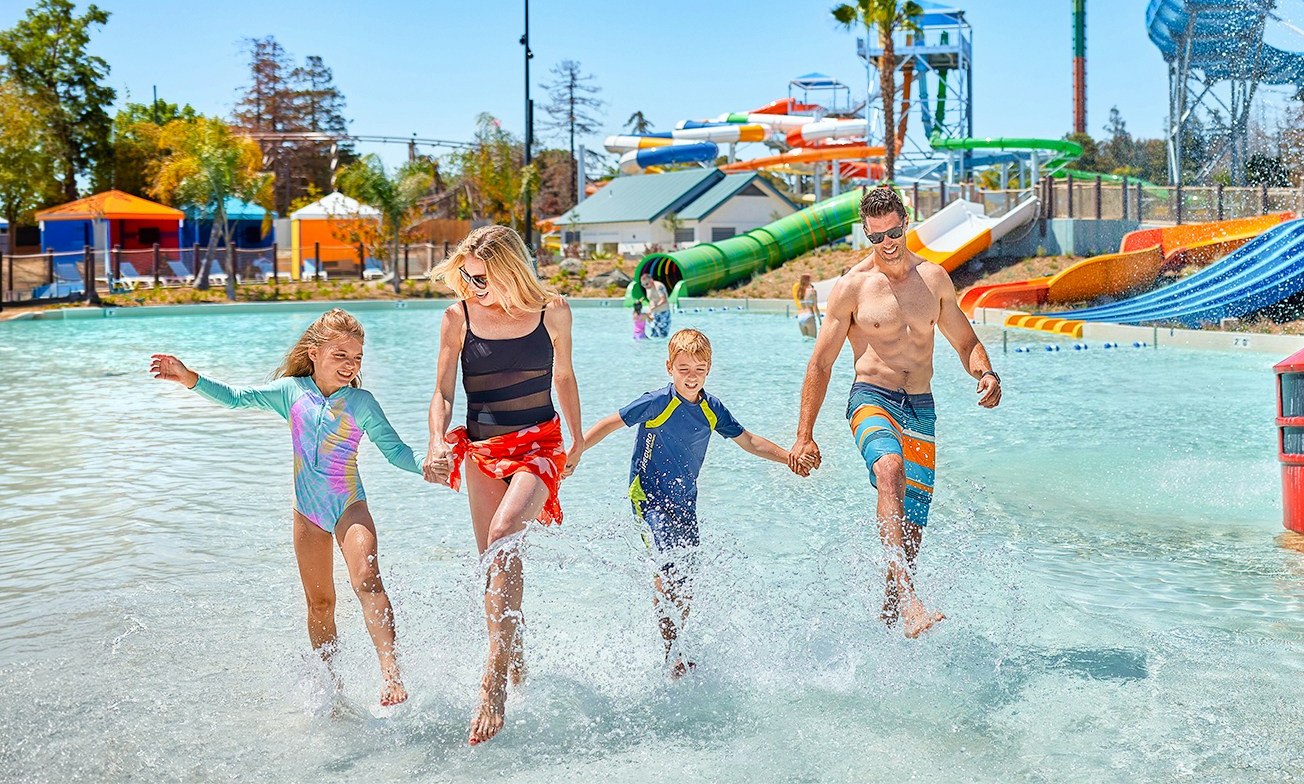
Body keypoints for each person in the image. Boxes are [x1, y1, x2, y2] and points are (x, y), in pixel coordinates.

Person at [148, 309, 419, 706]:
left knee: (367, 580)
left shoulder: (361, 402)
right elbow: (238, 399)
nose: (350, 365)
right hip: (307, 513)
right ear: (314, 352)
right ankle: (331, 688)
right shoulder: (291, 391)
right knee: (320, 604)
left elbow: (395, 452)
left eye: (357, 358)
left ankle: (392, 675)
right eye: (340, 355)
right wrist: (189, 378)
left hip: (348, 505)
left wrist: (431, 465)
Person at [790, 185, 1001, 639]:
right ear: (865, 233)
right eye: (876, 235)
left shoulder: (935, 280)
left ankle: (889, 625)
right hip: (871, 396)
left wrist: (985, 373)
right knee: (889, 468)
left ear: (907, 222)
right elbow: (821, 363)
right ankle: (910, 599)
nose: (887, 243)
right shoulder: (852, 288)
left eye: (895, 232)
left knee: (912, 534)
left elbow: (965, 343)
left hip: (920, 407)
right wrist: (804, 434)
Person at [565, 328, 817, 677]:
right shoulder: (657, 401)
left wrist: (788, 457)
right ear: (669, 367)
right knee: (668, 571)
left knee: (685, 578)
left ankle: (676, 644)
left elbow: (750, 442)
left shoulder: (712, 409)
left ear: (709, 369)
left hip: (686, 503)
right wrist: (575, 453)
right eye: (684, 368)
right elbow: (611, 423)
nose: (691, 376)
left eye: (699, 369)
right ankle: (672, 654)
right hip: (648, 496)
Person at [421, 225, 582, 746]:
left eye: (481, 276)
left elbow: (564, 378)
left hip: (539, 443)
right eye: (466, 276)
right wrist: (436, 442)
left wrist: (576, 438)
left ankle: (493, 682)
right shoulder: (458, 317)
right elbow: (443, 390)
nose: (471, 285)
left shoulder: (552, 311)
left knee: (506, 530)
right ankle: (515, 662)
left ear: (511, 269)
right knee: (497, 561)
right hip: (483, 451)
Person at [641, 270, 670, 338]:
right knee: (654, 334)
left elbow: (664, 299)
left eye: (647, 284)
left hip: (663, 312)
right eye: (643, 284)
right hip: (654, 313)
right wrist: (649, 311)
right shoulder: (648, 288)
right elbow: (651, 300)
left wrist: (654, 307)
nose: (645, 286)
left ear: (651, 280)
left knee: (663, 334)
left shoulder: (659, 286)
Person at [795, 272, 819, 339]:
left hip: (800, 317)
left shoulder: (799, 291)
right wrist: (820, 321)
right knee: (812, 340)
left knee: (805, 340)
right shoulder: (812, 291)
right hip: (809, 316)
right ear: (809, 280)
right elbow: (816, 307)